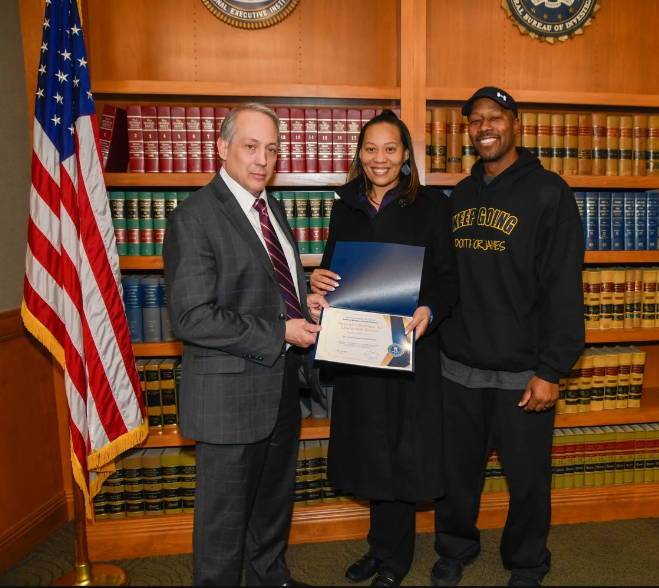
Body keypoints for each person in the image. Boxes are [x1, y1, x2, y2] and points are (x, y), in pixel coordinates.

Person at [163, 102, 327, 586]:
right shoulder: (193, 217)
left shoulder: (271, 207)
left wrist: (305, 303)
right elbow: (192, 317)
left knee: (272, 507)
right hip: (228, 400)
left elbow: (272, 290)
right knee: (222, 526)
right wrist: (280, 331)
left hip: (280, 388)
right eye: (251, 146)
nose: (262, 159)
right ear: (222, 148)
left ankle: (269, 578)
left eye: (271, 149)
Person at [432, 87, 585, 587]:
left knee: (528, 482)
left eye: (494, 117)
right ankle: (455, 549)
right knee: (456, 477)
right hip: (459, 367)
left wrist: (550, 370)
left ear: (515, 122)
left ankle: (526, 562)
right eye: (474, 120)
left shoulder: (548, 191)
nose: (484, 127)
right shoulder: (460, 193)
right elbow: (446, 277)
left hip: (523, 372)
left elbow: (562, 284)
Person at [310, 110, 459, 587]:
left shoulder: (433, 207)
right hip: (358, 351)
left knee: (402, 452)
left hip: (408, 350)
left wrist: (430, 312)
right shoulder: (344, 206)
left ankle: (396, 560)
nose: (380, 159)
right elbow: (335, 273)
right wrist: (317, 279)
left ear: (405, 154)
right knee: (369, 451)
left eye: (390, 149)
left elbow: (450, 281)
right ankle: (378, 549)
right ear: (360, 153)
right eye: (371, 149)